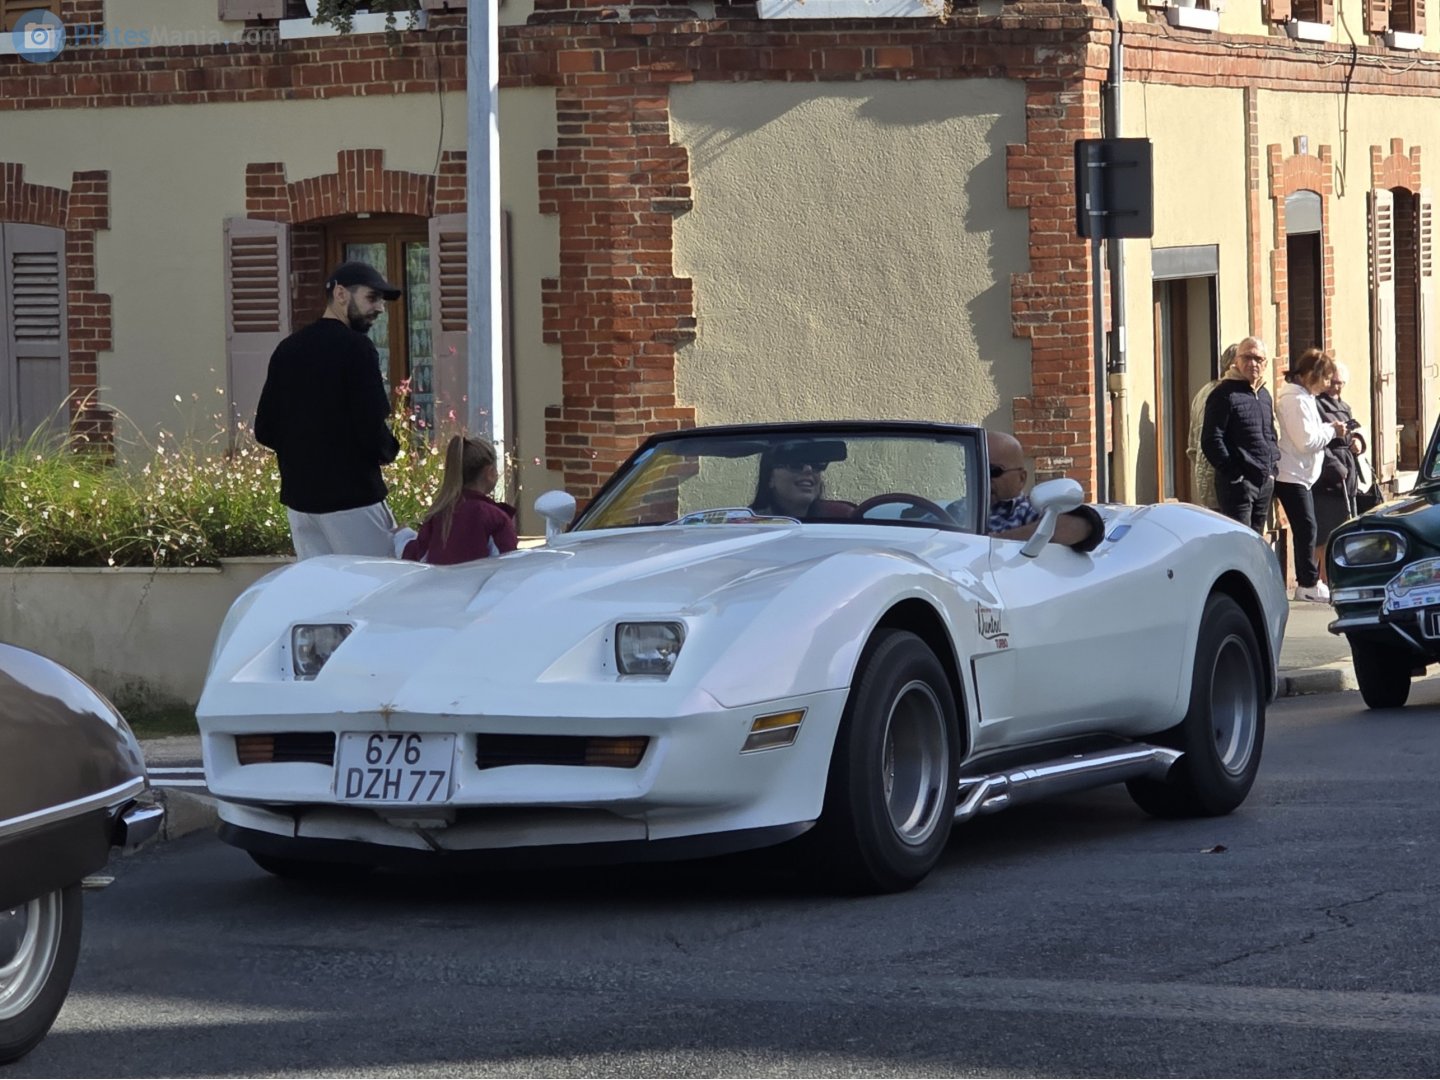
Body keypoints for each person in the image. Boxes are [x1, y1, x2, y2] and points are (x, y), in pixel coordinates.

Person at [254, 261, 402, 560]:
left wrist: (303, 455)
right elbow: (371, 424)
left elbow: (265, 429)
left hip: (300, 502)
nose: (380, 308)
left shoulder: (288, 349)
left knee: (321, 587)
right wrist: (388, 450)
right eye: (372, 297)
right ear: (340, 293)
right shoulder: (357, 348)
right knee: (378, 582)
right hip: (353, 499)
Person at [1274, 347, 1348, 602]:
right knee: (1306, 528)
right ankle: (1307, 583)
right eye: (1325, 377)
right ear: (1311, 374)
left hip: (1301, 474)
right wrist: (1332, 431)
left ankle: (1310, 581)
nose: (1327, 384)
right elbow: (1305, 441)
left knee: (1308, 527)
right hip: (1292, 474)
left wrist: (1327, 429)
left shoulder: (1303, 397)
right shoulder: (1294, 400)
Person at [1201, 335, 1279, 533]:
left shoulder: (1264, 394)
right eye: (1247, 357)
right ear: (1236, 361)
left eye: (1258, 359)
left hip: (1263, 482)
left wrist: (1272, 471)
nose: (1253, 363)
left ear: (1265, 364)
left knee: (1257, 540)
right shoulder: (1223, 394)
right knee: (1240, 540)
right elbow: (1211, 440)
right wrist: (1234, 474)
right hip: (1238, 486)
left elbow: (1270, 433)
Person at [401, 434, 518, 565]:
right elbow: (509, 565)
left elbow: (416, 557)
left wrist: (402, 535)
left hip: (439, 579)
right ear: (490, 472)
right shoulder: (495, 518)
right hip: (480, 579)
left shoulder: (439, 514)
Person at [986, 431, 1103, 551]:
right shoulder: (971, 509)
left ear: (1021, 478)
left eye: (993, 471)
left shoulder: (1029, 511)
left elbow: (1083, 526)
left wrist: (996, 542)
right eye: (977, 470)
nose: (984, 478)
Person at [1312, 360, 1367, 585]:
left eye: (1341, 383)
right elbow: (1317, 442)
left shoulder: (1344, 405)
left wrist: (1358, 442)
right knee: (1325, 531)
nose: (1337, 387)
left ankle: (1339, 576)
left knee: (1346, 525)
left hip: (1348, 473)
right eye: (1333, 382)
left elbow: (1354, 430)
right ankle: (1323, 578)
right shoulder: (1317, 405)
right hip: (1328, 477)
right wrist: (1334, 466)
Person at [1185, 343, 1239, 510]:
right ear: (1232, 366)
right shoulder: (1222, 395)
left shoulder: (1204, 392)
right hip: (1224, 479)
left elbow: (1193, 448)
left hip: (1210, 476)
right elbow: (1206, 440)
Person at [750, 444, 854, 519]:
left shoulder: (838, 522)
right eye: (795, 463)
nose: (808, 469)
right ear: (770, 477)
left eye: (816, 464)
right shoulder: (749, 526)